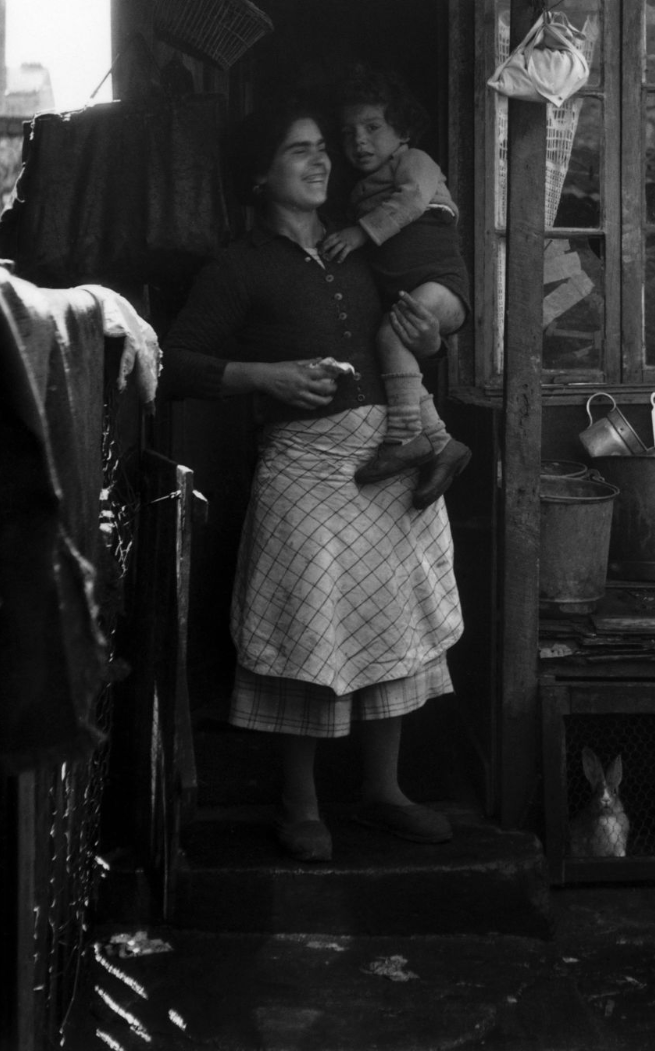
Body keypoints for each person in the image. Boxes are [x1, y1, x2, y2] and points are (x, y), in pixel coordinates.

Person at [162, 104, 463, 863]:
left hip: (390, 458)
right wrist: (261, 375)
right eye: (300, 151)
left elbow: (423, 314)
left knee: (392, 620)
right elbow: (170, 364)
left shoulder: (358, 249)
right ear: (261, 174)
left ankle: (383, 790)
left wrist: (432, 333)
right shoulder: (238, 267)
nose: (322, 160)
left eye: (323, 148)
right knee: (306, 626)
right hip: (304, 465)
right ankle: (299, 805)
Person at [319, 68, 471, 491]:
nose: (359, 141)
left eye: (372, 127)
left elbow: (411, 201)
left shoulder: (414, 162)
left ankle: (404, 438)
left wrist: (359, 232)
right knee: (392, 340)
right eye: (348, 134)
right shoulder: (361, 189)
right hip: (411, 291)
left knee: (390, 335)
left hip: (442, 285)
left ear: (401, 129)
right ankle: (441, 444)